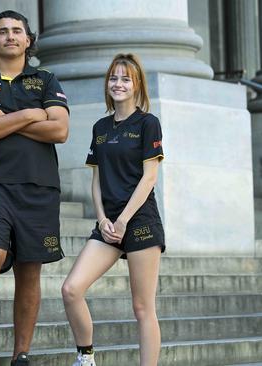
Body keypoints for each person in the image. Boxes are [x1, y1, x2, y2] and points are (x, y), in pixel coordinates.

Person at [0, 10, 69, 366]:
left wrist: (3, 119)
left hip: (40, 186)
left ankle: (22, 353)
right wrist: (33, 114)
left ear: (28, 40)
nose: (9, 36)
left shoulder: (46, 79)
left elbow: (60, 131)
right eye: (1, 31)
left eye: (17, 31)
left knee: (30, 270)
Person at [62, 53, 165, 366]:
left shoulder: (149, 123)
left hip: (140, 220)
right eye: (113, 78)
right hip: (108, 225)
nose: (118, 84)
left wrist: (122, 220)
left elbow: (149, 178)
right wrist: (104, 219)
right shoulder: (100, 127)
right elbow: (96, 180)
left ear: (136, 86)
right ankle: (87, 357)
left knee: (142, 307)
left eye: (125, 79)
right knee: (71, 289)